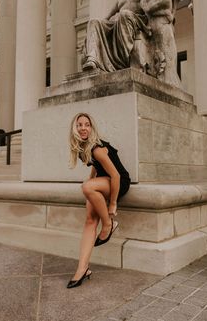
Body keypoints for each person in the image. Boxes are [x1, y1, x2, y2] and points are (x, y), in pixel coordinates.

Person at [67, 113, 131, 288]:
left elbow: (116, 175)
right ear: (75, 128)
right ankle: (82, 269)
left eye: (87, 125)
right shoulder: (82, 148)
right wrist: (91, 179)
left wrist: (112, 203)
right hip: (103, 183)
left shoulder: (96, 148)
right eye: (79, 125)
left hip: (119, 182)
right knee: (89, 221)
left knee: (87, 187)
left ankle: (109, 224)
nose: (83, 128)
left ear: (91, 127)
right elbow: (96, 167)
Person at [82, 0, 151, 72]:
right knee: (94, 22)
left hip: (136, 22)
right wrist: (92, 31)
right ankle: (92, 58)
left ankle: (124, 58)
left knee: (124, 14)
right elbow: (107, 17)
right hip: (119, 24)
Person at [140, 0, 182, 87]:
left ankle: (168, 82)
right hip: (156, 31)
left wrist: (144, 3)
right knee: (157, 58)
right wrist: (165, 13)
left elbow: (148, 9)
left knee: (166, 58)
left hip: (164, 31)